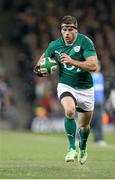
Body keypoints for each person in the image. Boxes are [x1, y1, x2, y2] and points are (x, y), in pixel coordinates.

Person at [34, 15, 98, 164]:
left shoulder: (85, 42)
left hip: (85, 88)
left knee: (84, 126)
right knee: (69, 111)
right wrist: (40, 70)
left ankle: (83, 146)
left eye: (70, 29)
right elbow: (39, 65)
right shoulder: (54, 45)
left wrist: (72, 62)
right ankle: (71, 148)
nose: (67, 33)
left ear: (76, 30)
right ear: (61, 31)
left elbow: (93, 66)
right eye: (64, 30)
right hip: (66, 85)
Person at [90, 61, 106, 146]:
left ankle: (99, 139)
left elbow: (101, 91)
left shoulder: (101, 76)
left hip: (99, 102)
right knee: (88, 121)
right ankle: (79, 137)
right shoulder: (89, 76)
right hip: (91, 102)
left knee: (99, 122)